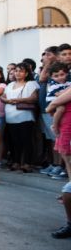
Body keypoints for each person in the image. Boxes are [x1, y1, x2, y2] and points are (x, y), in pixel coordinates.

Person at [1, 62, 39, 173]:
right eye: (16, 71)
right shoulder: (9, 85)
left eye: (21, 71)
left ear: (26, 73)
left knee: (26, 141)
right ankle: (16, 162)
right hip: (10, 116)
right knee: (14, 141)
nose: (18, 73)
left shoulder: (31, 83)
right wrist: (7, 100)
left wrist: (18, 100)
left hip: (25, 116)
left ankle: (27, 163)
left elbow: (33, 98)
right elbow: (3, 97)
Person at [47, 86, 71, 238]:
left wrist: (52, 106)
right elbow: (55, 104)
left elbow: (55, 104)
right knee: (68, 162)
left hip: (66, 128)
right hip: (66, 127)